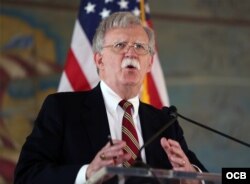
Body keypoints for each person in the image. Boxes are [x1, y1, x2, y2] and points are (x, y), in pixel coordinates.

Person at [14, 12, 206, 184]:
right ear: (99, 60)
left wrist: (192, 177)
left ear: (150, 63)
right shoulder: (62, 109)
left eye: (139, 47)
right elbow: (27, 175)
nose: (131, 53)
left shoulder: (165, 122)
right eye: (120, 45)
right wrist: (88, 174)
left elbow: (206, 176)